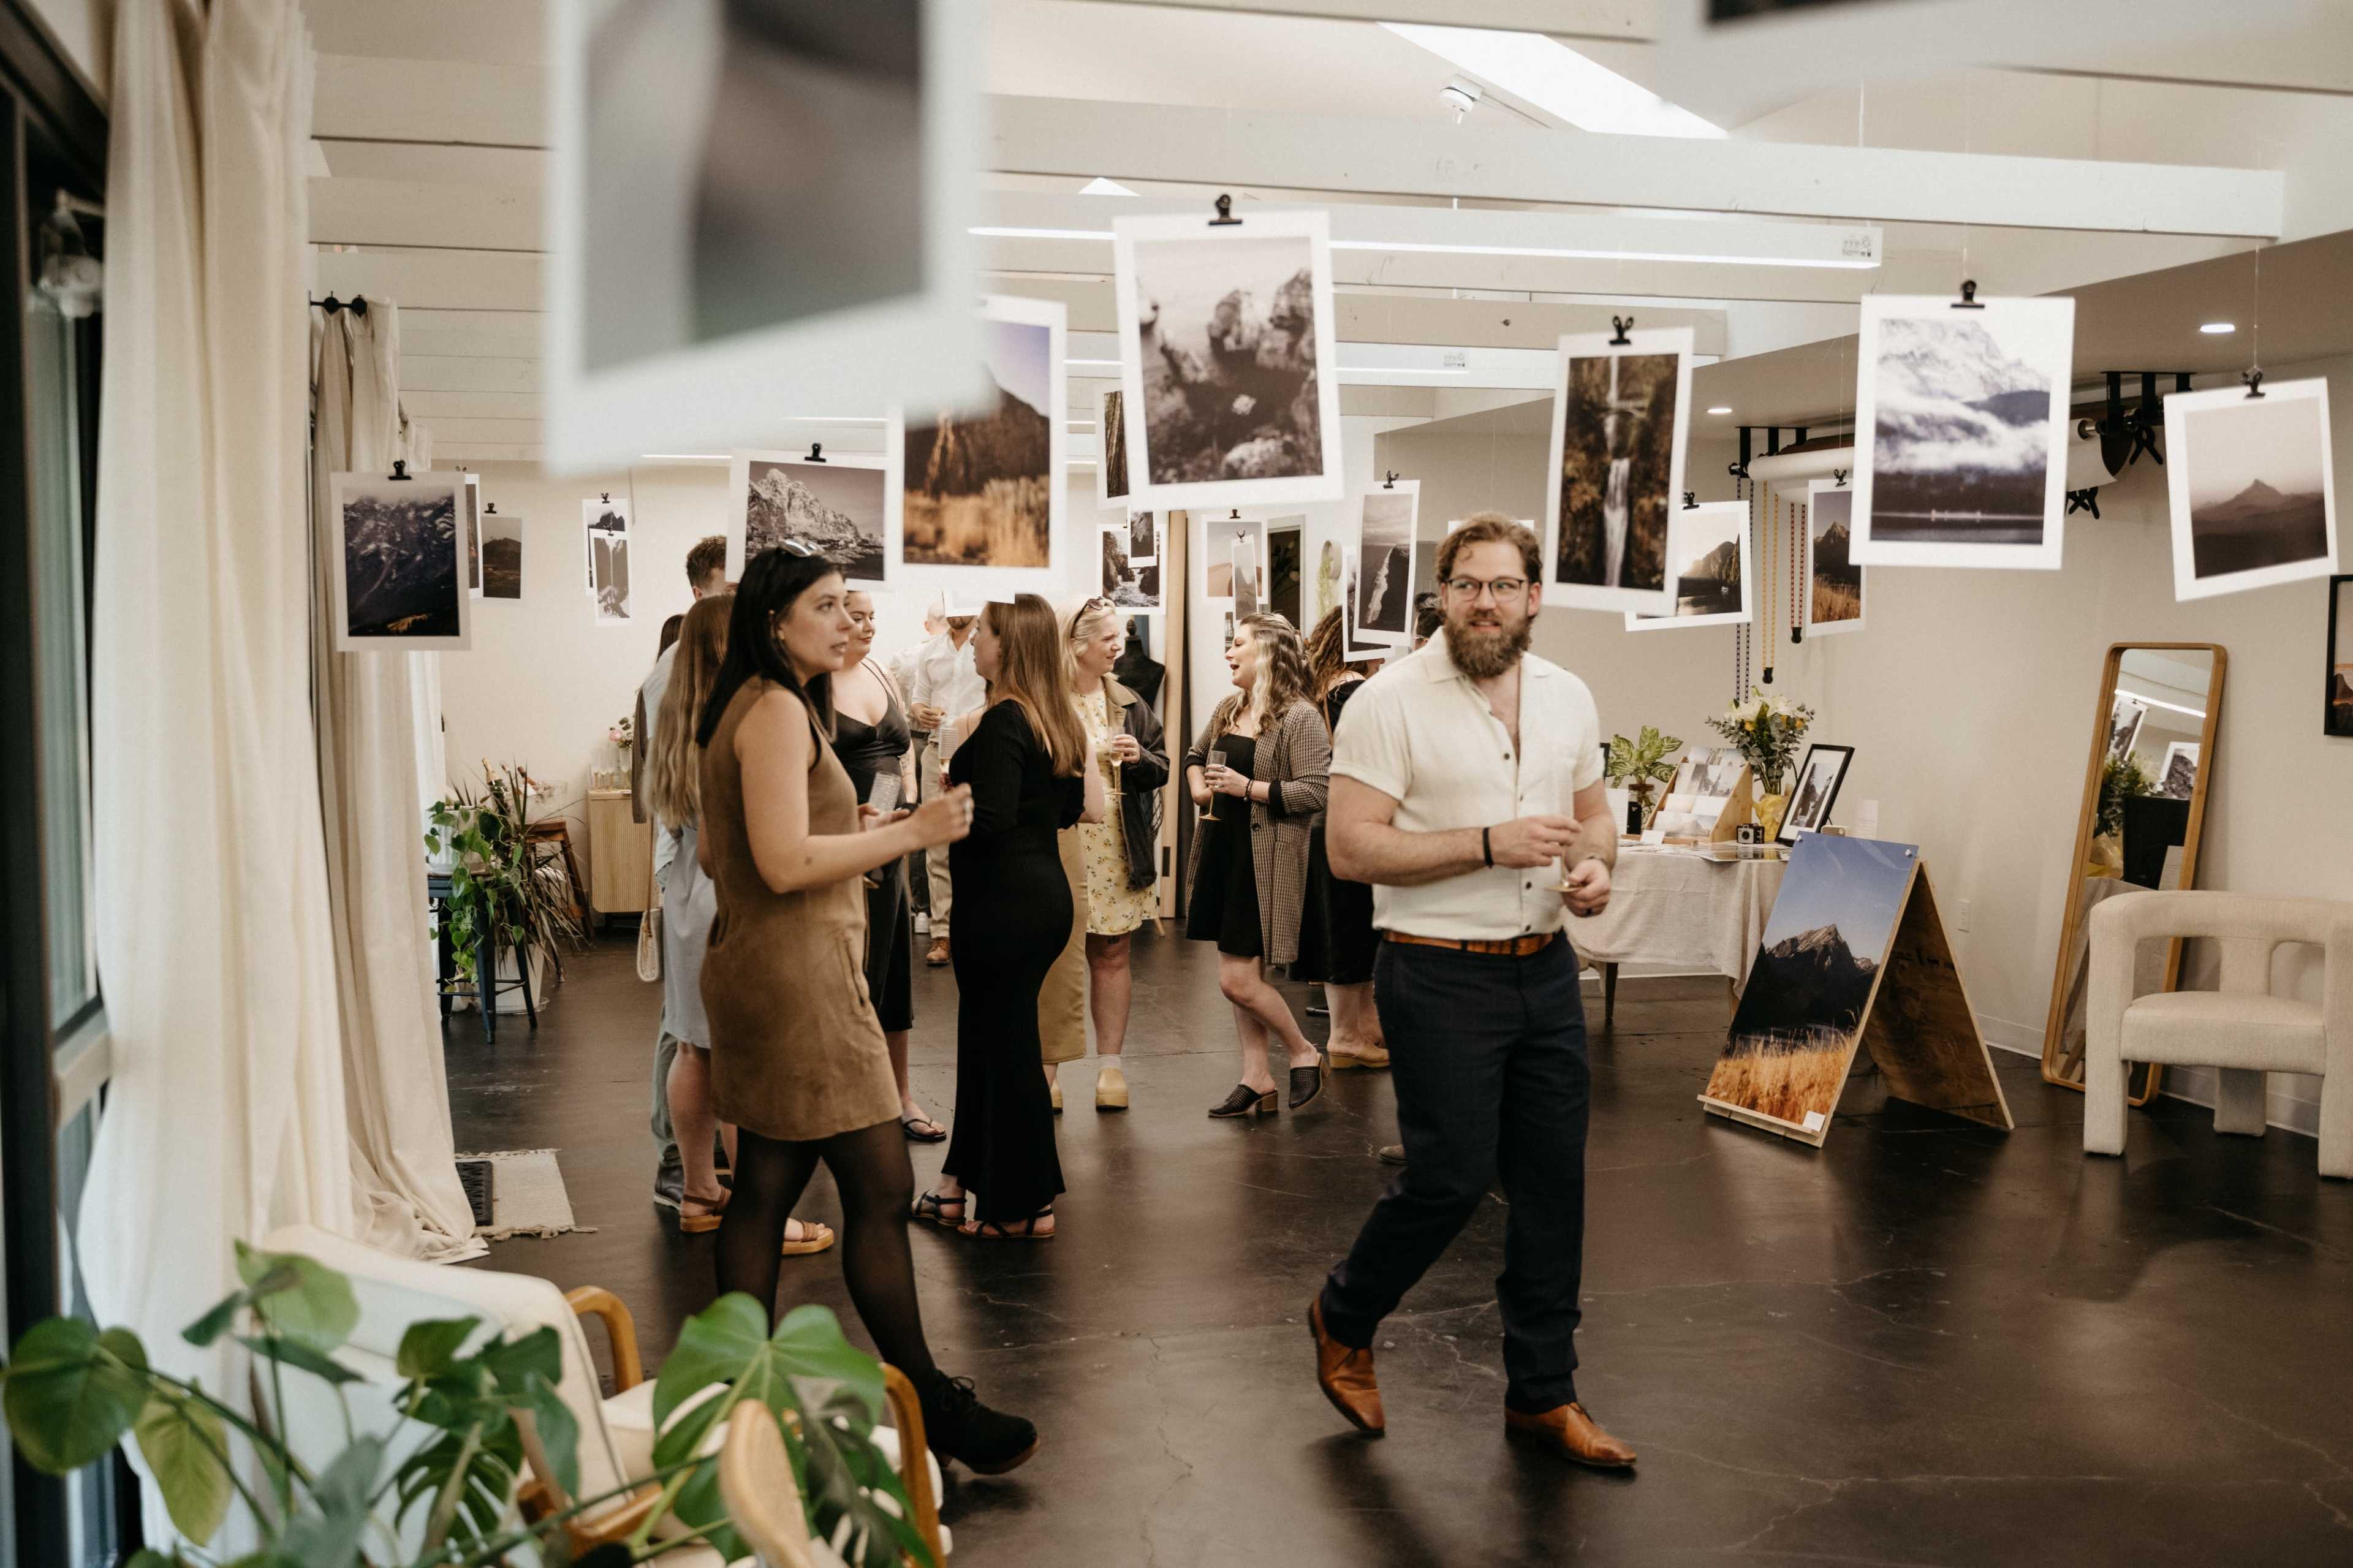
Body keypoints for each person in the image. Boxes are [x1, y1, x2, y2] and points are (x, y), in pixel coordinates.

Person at [695, 546, 1034, 1472]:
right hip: (798, 980)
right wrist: (914, 831)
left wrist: (864, 830)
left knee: (766, 1182)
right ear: (776, 621)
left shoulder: (763, 703)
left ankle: (738, 1399)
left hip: (777, 968)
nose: (848, 619)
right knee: (881, 1186)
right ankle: (930, 1399)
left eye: (849, 604)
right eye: (827, 605)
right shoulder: (771, 708)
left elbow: (754, 848)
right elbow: (775, 864)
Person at [1309, 514, 1634, 1470]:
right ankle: (1344, 1308)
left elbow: (1594, 817)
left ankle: (1543, 1392)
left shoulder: (1570, 695)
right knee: (1451, 1177)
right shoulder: (1388, 699)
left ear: (1535, 596)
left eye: (1502, 584)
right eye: (1465, 584)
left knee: (1551, 1185)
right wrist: (1487, 842)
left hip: (1545, 965)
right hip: (1436, 967)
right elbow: (1350, 846)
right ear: (1442, 595)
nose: (1483, 601)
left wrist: (1599, 868)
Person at [644, 596, 839, 1255]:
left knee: (694, 1047)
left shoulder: (677, 716)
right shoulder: (737, 720)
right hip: (726, 894)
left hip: (685, 899)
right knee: (741, 1058)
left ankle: (700, 1191)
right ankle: (764, 1215)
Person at [916, 594, 1105, 1241]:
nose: (972, 643)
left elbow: (991, 822)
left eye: (984, 634)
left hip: (1001, 906)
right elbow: (1064, 810)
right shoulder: (1054, 718)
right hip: (1039, 895)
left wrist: (949, 802)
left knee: (1010, 1054)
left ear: (1009, 645)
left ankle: (1023, 1208)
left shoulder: (1003, 723)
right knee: (991, 1046)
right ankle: (955, 1186)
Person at [1183, 613, 1332, 1118]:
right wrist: (1199, 786)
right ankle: (1257, 1076)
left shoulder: (1300, 716)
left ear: (1267, 651)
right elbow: (1195, 753)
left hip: (1265, 858)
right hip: (1224, 849)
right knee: (1241, 970)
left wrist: (1248, 789)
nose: (1229, 652)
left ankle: (1303, 1050)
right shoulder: (1231, 706)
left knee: (1237, 981)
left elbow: (1316, 790)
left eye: (1238, 643)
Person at [834, 590, 942, 1143]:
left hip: (892, 841)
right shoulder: (814, 682)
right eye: (856, 615)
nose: (868, 625)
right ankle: (850, 1100)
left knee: (895, 971)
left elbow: (899, 758)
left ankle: (898, 1094)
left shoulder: (880, 669)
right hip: (845, 848)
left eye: (873, 615)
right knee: (853, 975)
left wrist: (908, 808)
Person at [640, 534, 729, 1210]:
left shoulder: (691, 671)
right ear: (702, 591)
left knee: (695, 1033)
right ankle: (685, 1168)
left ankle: (694, 1173)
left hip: (693, 875)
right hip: (699, 874)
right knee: (694, 1035)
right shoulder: (683, 672)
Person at [1064, 598, 1169, 1112]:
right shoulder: (1046, 700)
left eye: (1119, 636)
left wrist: (1140, 757)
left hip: (1117, 846)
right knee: (1054, 959)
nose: (1118, 646)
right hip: (1060, 845)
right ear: (1077, 644)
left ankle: (1111, 1068)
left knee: (1112, 954)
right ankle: (1049, 1068)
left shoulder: (1128, 700)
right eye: (1108, 637)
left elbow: (1164, 765)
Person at [1293, 607, 1387, 1071]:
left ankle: (1363, 1028)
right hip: (1349, 818)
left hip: (1322, 821)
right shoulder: (1354, 690)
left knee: (1344, 924)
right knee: (1350, 925)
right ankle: (1346, 1035)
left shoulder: (1318, 688)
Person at [906, 608, 986, 966]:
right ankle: (942, 934)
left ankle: (977, 930)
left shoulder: (986, 643)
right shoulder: (931, 650)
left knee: (979, 840)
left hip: (979, 750)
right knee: (936, 846)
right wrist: (920, 712)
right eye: (949, 610)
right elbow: (918, 697)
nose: (955, 616)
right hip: (937, 751)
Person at [892, 600, 947, 933]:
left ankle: (923, 910)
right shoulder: (970, 655)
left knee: (917, 823)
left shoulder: (904, 657)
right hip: (951, 742)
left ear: (927, 624)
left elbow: (898, 708)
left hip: (914, 742)